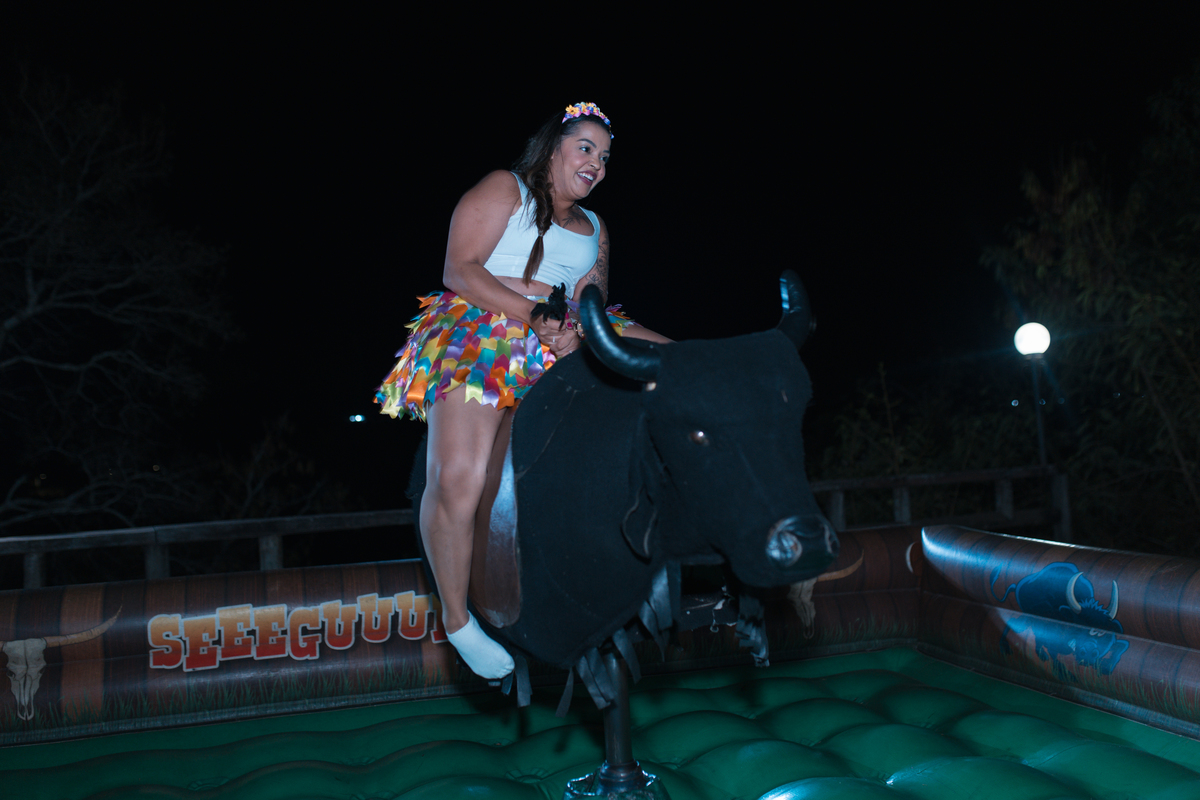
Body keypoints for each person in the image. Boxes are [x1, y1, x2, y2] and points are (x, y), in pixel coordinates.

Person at [375, 102, 670, 679]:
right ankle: (458, 621)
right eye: (585, 148)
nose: (597, 164)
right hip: (481, 331)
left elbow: (590, 304)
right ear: (554, 147)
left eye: (606, 157)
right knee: (459, 477)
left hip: (557, 334)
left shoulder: (596, 229)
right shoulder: (504, 188)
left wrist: (580, 335)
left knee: (683, 366)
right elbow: (460, 269)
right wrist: (532, 313)